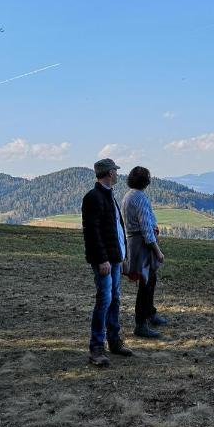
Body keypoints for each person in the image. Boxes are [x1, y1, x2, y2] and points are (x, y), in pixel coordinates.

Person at [82, 157, 133, 367]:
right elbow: (92, 233)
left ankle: (114, 341)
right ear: (109, 173)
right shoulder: (93, 197)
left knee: (114, 300)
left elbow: (118, 230)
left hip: (115, 259)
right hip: (105, 261)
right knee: (104, 301)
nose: (118, 174)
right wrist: (102, 259)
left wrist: (123, 256)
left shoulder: (109, 196)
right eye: (115, 170)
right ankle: (96, 348)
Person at [121, 166, 167, 338]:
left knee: (150, 280)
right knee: (145, 283)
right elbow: (146, 228)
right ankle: (141, 323)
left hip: (135, 242)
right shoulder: (139, 198)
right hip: (142, 244)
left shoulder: (128, 195)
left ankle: (150, 313)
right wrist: (157, 250)